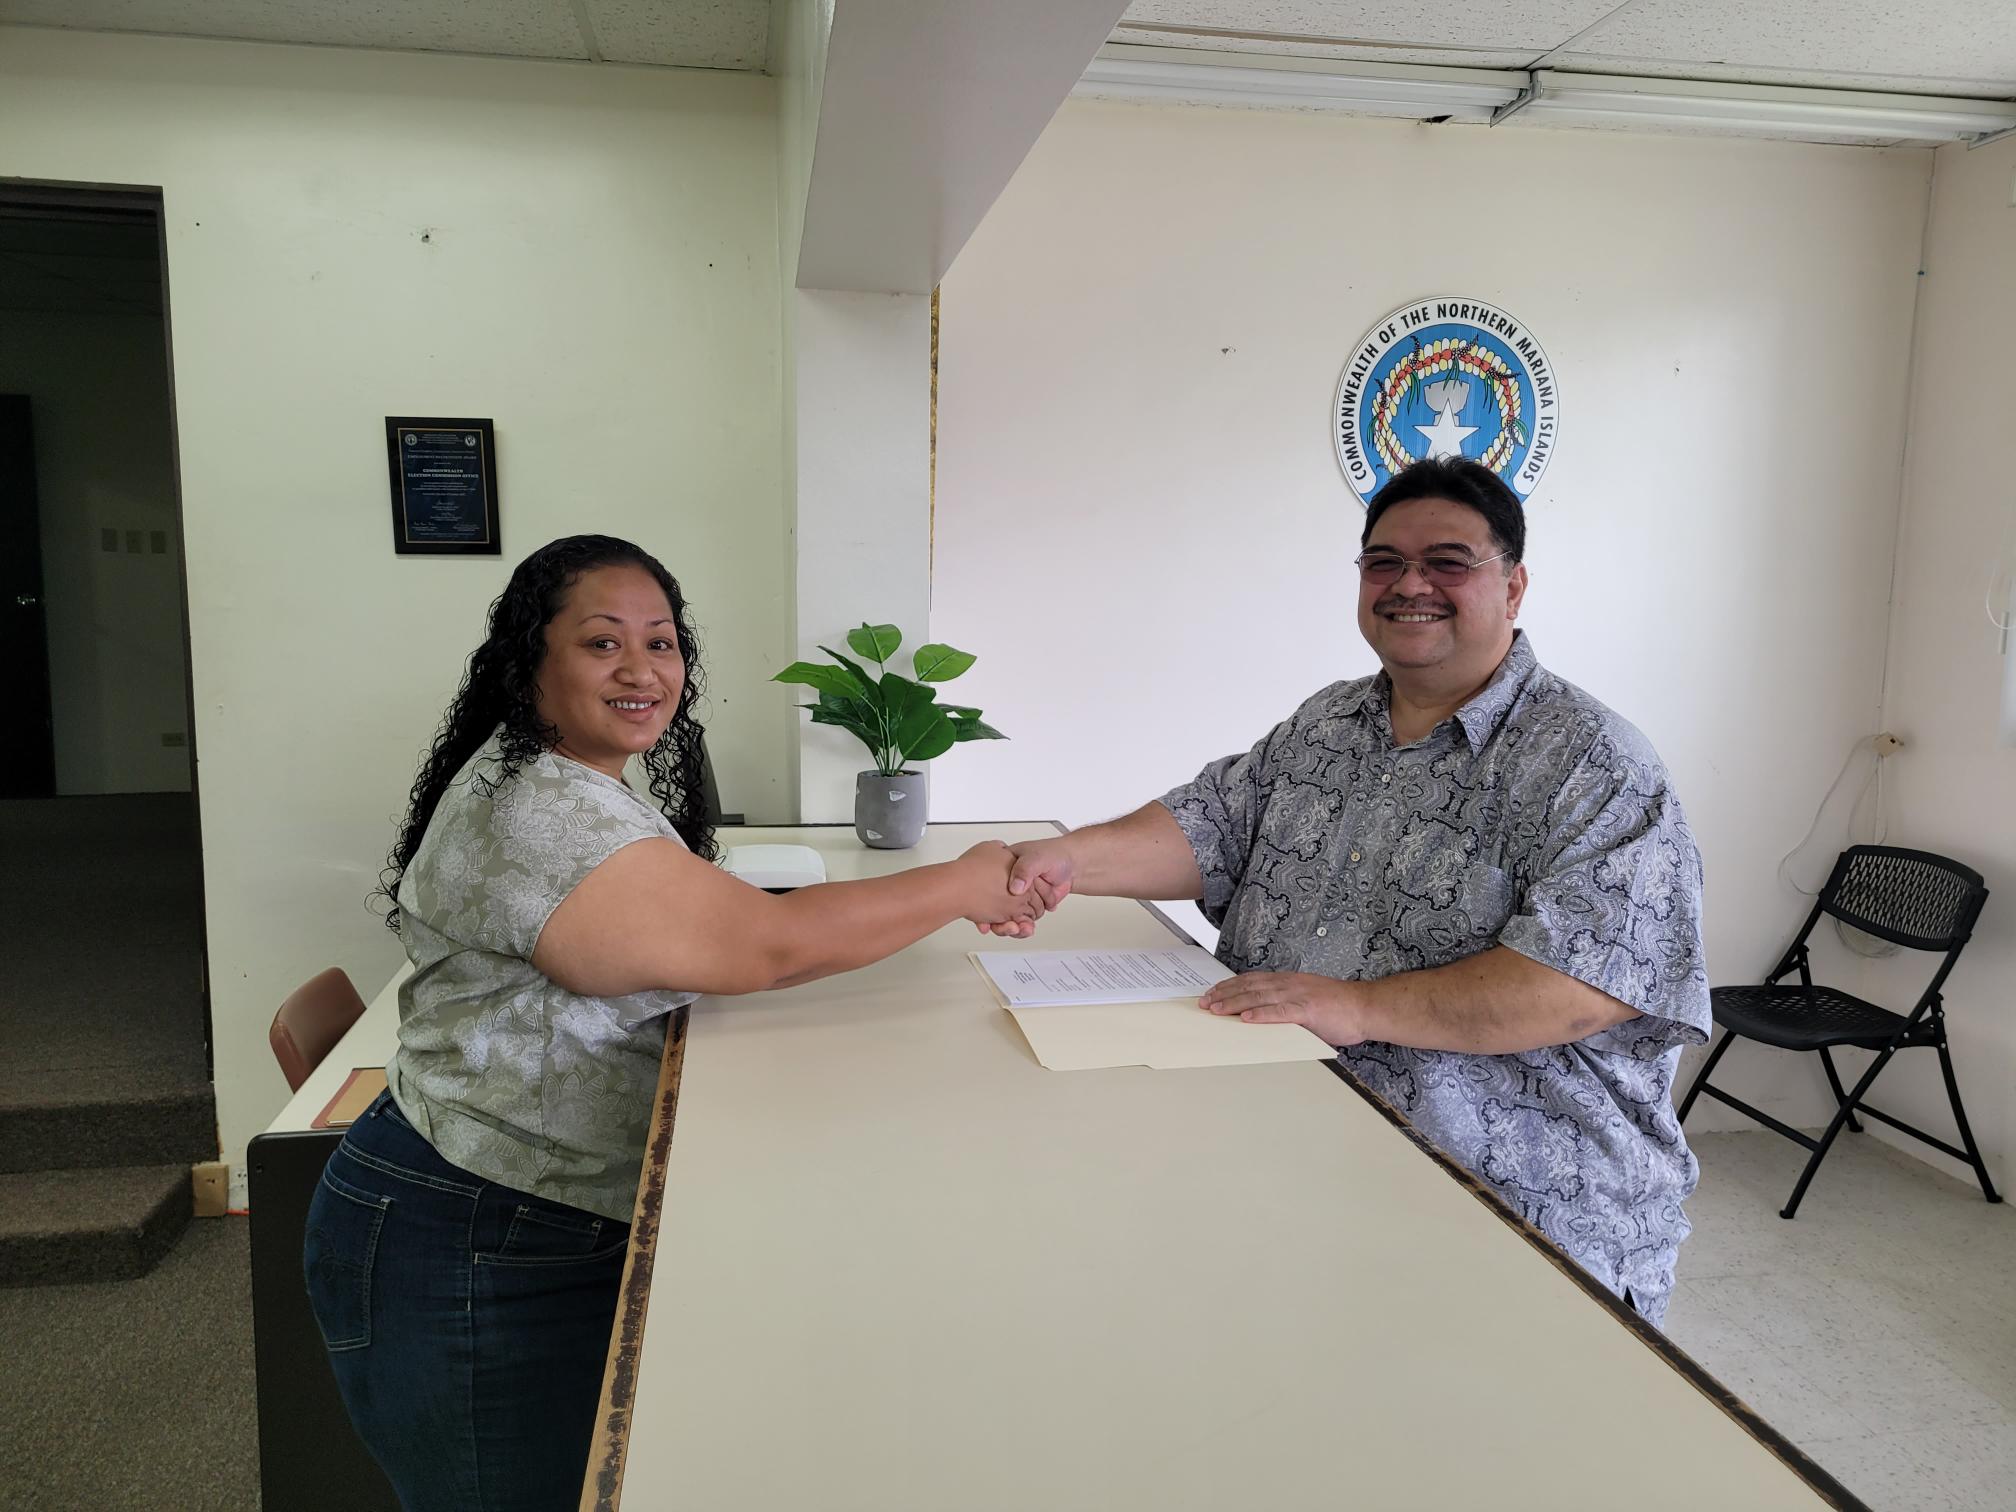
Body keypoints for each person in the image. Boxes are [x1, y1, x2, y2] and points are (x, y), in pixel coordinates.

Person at [303, 535, 1039, 1511]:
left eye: (662, 642)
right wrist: (963, 880)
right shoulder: (537, 809)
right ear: (531, 663)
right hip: (474, 1231)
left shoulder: (568, 779)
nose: (643, 669)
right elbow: (764, 946)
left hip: (527, 1208)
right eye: (603, 644)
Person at [992, 456, 1710, 1323]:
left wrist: (1359, 1007)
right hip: (1291, 1156)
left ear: (1513, 587)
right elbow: (1214, 824)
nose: (1411, 585)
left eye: (1449, 561)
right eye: (1384, 562)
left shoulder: (1595, 764)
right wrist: (1069, 860)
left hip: (1516, 1213)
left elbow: (1580, 987)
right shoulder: (1330, 722)